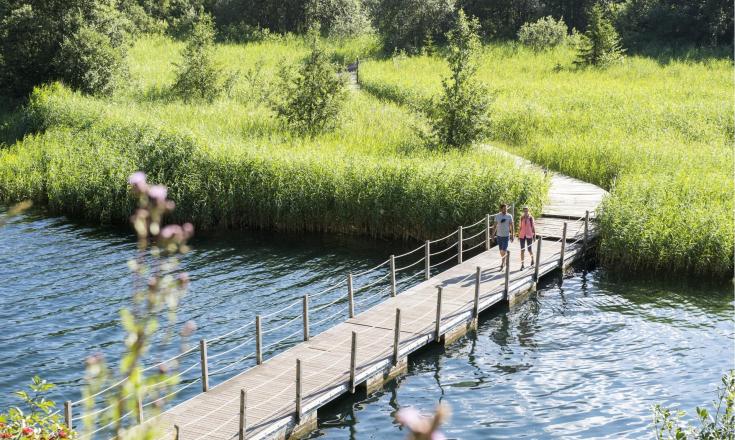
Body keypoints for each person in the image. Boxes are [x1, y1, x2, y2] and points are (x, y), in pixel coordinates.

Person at [492, 204, 514, 271]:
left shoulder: (509, 216)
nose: (505, 210)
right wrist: (492, 235)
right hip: (499, 236)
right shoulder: (497, 216)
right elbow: (495, 226)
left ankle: (502, 263)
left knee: (503, 250)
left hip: (506, 236)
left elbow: (511, 226)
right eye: (504, 208)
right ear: (501, 209)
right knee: (501, 251)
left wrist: (512, 235)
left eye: (506, 208)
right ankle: (505, 257)